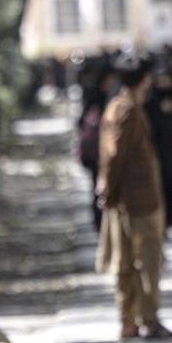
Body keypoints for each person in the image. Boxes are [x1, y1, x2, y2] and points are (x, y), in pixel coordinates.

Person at [94, 54, 172, 340]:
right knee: (144, 262)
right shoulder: (127, 109)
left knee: (128, 263)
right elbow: (116, 155)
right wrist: (110, 187)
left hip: (126, 198)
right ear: (144, 79)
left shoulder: (118, 106)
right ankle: (147, 319)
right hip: (138, 200)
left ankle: (130, 320)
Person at [144, 62, 172, 237]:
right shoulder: (151, 103)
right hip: (159, 154)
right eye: (160, 81)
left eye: (167, 80)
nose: (164, 85)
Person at [76, 58, 117, 232]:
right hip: (97, 155)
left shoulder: (119, 100)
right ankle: (100, 225)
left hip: (114, 154)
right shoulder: (94, 97)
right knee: (98, 190)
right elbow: (81, 123)